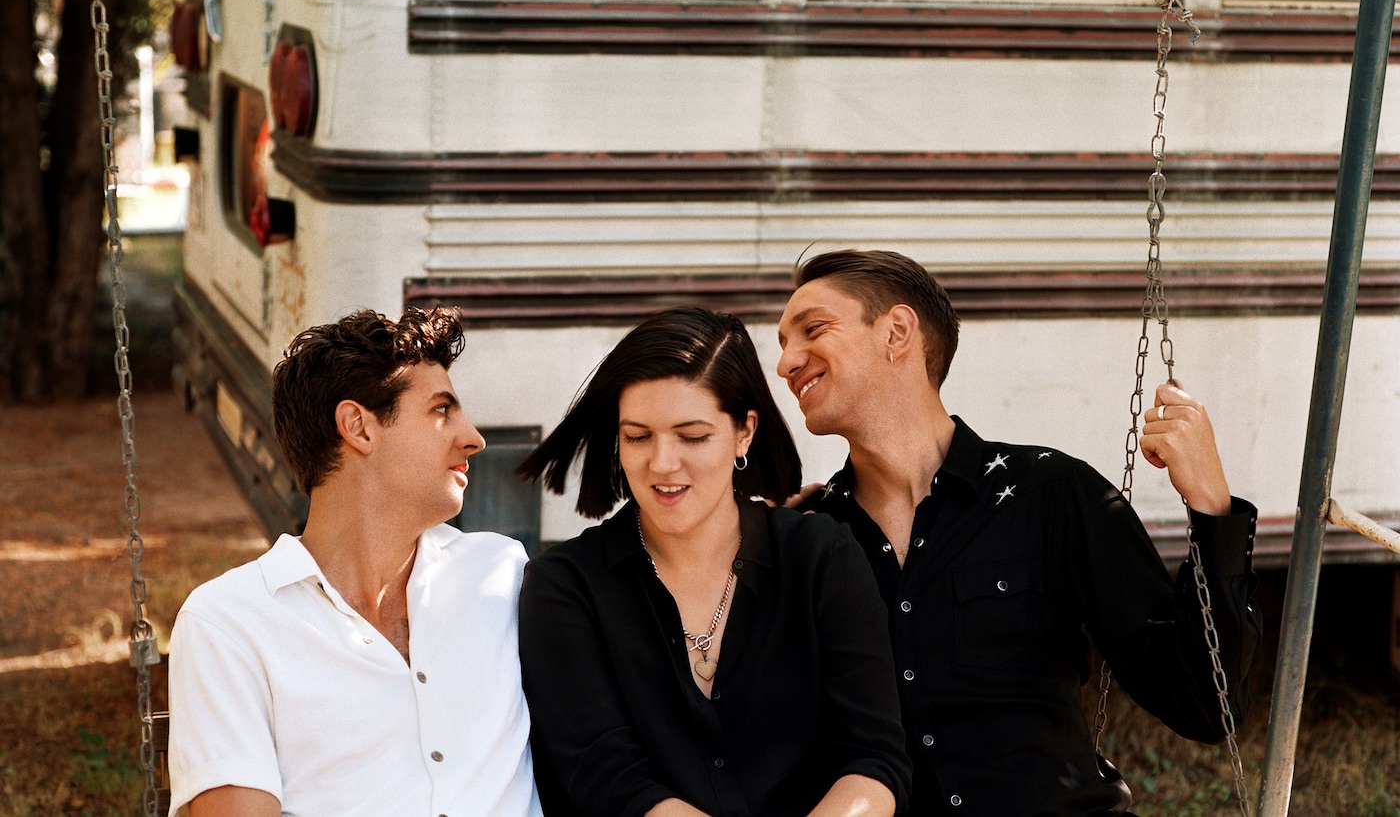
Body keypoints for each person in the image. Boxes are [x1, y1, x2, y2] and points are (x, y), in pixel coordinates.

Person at [776, 250, 1261, 816]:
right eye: (782, 343)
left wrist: (1210, 506)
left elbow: (1204, 704)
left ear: (897, 332)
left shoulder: (1050, 494)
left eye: (812, 329)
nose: (786, 362)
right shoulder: (812, 538)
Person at [515, 307, 913, 817]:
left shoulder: (819, 557)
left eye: (692, 436)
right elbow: (607, 780)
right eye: (637, 436)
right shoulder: (565, 586)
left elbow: (874, 759)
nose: (661, 463)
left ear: (744, 431)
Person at [167, 307, 542, 817]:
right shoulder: (230, 623)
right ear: (358, 427)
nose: (473, 436)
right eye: (441, 411)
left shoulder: (501, 574)